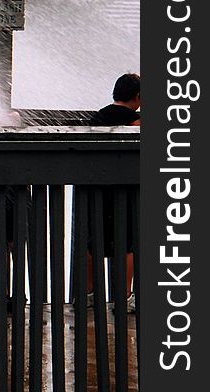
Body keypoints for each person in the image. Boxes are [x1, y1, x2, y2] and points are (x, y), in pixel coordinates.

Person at [86, 73, 139, 312]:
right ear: (137, 96)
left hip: (97, 186)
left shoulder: (99, 116)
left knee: (93, 241)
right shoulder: (136, 122)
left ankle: (87, 293)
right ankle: (123, 297)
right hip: (124, 188)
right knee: (127, 243)